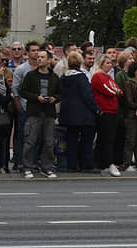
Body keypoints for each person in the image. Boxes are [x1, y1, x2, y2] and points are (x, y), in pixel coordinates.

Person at [19, 50, 60, 179]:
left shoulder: (54, 77)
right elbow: (23, 91)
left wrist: (54, 98)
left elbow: (60, 93)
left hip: (49, 112)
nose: (39, 59)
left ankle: (47, 167)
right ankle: (27, 167)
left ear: (49, 60)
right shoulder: (31, 75)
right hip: (34, 112)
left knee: (49, 142)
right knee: (30, 141)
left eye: (43, 57)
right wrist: (36, 97)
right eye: (38, 57)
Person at [59, 51, 100, 173]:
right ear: (80, 62)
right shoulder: (81, 77)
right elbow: (87, 96)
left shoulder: (64, 77)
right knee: (87, 141)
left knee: (71, 141)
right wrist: (96, 109)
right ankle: (86, 165)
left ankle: (72, 165)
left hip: (68, 115)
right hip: (83, 115)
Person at [92, 53, 123, 177]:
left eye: (111, 63)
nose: (110, 65)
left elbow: (119, 91)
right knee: (107, 138)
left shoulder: (108, 77)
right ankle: (109, 163)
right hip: (105, 111)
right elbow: (110, 91)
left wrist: (117, 91)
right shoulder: (98, 76)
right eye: (108, 63)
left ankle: (99, 162)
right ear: (101, 64)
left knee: (105, 138)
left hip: (112, 111)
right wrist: (116, 91)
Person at [12, 40, 40, 171]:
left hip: (39, 107)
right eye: (33, 51)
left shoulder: (42, 68)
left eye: (37, 50)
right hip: (24, 107)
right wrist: (18, 105)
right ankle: (19, 162)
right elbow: (15, 89)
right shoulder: (21, 69)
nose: (36, 53)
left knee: (37, 136)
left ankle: (34, 161)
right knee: (22, 135)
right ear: (27, 53)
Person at [122, 61, 137, 171]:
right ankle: (127, 162)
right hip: (132, 115)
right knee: (130, 140)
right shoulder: (128, 84)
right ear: (135, 71)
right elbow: (128, 101)